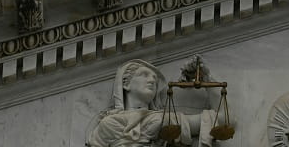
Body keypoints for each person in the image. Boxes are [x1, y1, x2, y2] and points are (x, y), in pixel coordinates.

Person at [89, 60, 217, 147]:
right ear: (126, 84)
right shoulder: (109, 124)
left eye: (155, 79)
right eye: (144, 75)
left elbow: (219, 120)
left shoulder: (163, 120)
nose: (151, 80)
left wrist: (207, 79)